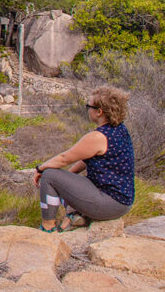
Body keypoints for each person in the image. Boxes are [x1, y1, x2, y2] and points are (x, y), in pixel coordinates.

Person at [33, 85, 135, 232]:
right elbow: (85, 158)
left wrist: (40, 168)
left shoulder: (98, 137)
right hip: (121, 201)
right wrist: (67, 178)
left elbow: (64, 158)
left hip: (109, 203)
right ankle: (74, 215)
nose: (88, 110)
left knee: (49, 175)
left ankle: (48, 228)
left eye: (89, 106)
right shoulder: (119, 129)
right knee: (60, 179)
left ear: (99, 112)